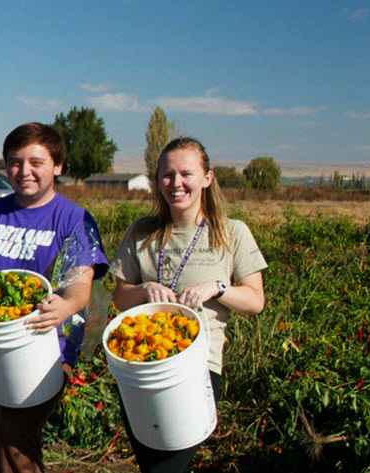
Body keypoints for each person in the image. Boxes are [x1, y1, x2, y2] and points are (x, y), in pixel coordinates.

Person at [0, 122, 107, 473]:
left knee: (14, 443)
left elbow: (80, 288)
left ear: (57, 166)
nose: (24, 172)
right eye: (14, 162)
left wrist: (64, 306)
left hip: (46, 343)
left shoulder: (74, 219)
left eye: (36, 162)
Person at [109, 137, 267, 473]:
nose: (176, 183)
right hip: (140, 368)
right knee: (152, 466)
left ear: (207, 178)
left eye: (186, 173)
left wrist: (218, 288)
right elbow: (120, 297)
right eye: (167, 174)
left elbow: (255, 301)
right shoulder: (141, 232)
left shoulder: (231, 233)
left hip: (197, 368)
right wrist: (146, 289)